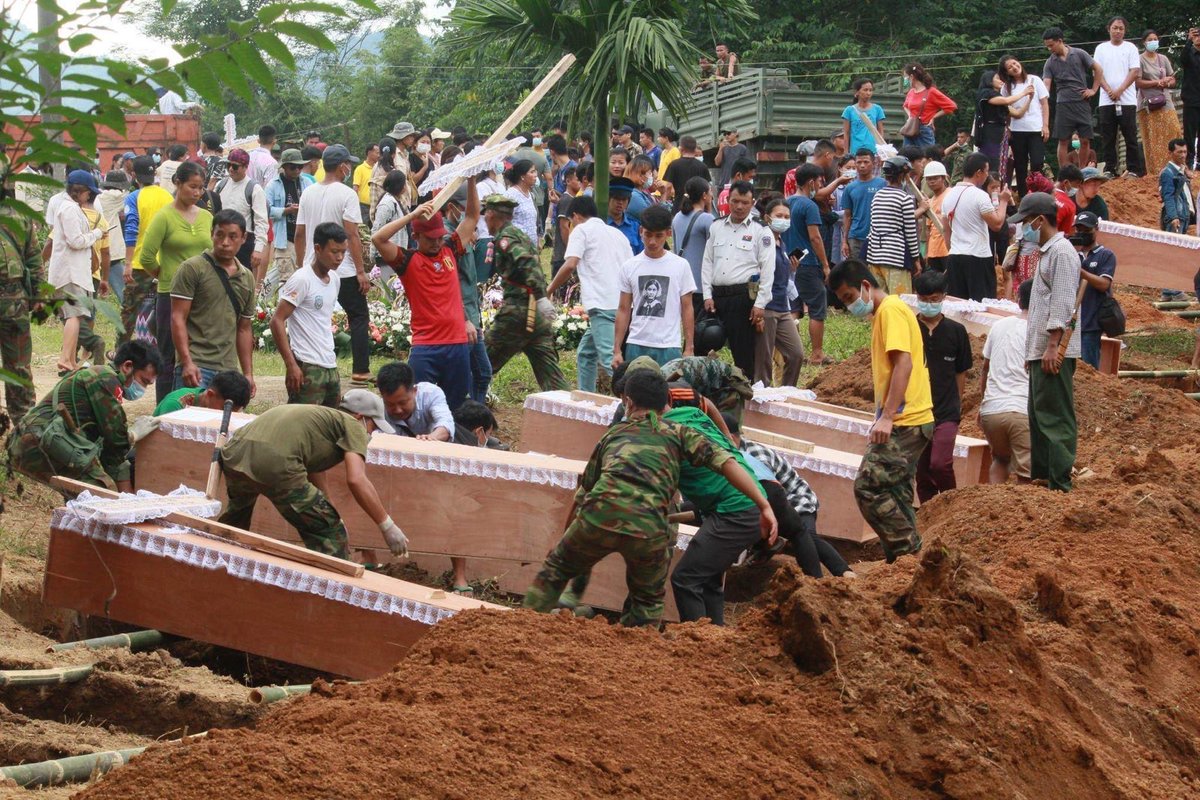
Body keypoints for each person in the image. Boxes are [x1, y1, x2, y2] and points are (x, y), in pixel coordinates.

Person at [524, 369, 764, 627]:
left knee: (555, 572)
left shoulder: (612, 434)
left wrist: (564, 539)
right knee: (647, 602)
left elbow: (584, 494)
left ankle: (523, 627)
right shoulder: (679, 432)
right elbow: (726, 462)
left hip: (600, 516)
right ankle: (636, 650)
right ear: (667, 403)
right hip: (649, 529)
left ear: (628, 402)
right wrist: (764, 505)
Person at [828, 259, 933, 563]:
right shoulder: (884, 314)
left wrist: (887, 417)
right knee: (897, 494)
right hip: (911, 419)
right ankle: (902, 566)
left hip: (906, 420)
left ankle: (911, 555)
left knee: (868, 486)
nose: (850, 306)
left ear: (865, 286)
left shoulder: (890, 311)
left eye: (849, 298)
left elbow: (904, 363)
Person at [217, 394, 407, 559]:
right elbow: (356, 479)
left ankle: (214, 560)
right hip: (276, 463)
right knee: (329, 533)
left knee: (235, 522)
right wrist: (387, 526)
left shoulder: (320, 419)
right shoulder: (353, 425)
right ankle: (333, 590)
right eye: (372, 427)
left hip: (235, 455)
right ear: (360, 416)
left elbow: (314, 466)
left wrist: (327, 507)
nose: (370, 434)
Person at [666, 382, 776, 625]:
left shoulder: (667, 432)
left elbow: (724, 464)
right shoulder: (692, 413)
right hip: (743, 503)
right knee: (709, 578)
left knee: (686, 578)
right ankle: (716, 637)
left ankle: (699, 646)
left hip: (737, 510)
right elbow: (708, 406)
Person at [372, 179, 481, 411]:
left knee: (456, 406)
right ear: (416, 237)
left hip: (457, 344)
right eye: (430, 238)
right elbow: (377, 239)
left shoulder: (450, 249)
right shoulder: (407, 261)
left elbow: (471, 217)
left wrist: (472, 180)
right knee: (418, 406)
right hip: (426, 347)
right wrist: (412, 216)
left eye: (439, 237)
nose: (436, 243)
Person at [7, 341, 162, 492]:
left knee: (102, 490)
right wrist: (133, 435)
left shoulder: (104, 378)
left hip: (40, 442)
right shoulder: (103, 378)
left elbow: (113, 452)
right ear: (127, 366)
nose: (142, 388)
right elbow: (117, 438)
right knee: (102, 492)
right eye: (143, 381)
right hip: (33, 445)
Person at [723, 416, 854, 578]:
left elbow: (771, 495)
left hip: (796, 498)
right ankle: (771, 546)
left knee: (805, 534)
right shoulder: (733, 453)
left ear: (733, 438)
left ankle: (844, 574)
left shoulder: (756, 455)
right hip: (774, 503)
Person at [1009, 191, 1079, 491]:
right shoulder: (1048, 253)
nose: (1023, 229)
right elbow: (1039, 307)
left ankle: (1059, 481)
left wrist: (1052, 346)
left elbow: (1062, 305)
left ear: (1040, 220)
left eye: (1026, 222)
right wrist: (1032, 351)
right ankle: (1043, 477)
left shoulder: (1062, 252)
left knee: (1054, 417)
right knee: (1038, 416)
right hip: (1040, 349)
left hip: (1053, 349)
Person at [295, 145, 370, 385]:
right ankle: (361, 369)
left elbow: (299, 233)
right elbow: (352, 234)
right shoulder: (347, 194)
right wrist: (360, 271)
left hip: (313, 265)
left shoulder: (308, 193)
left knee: (315, 317)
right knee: (358, 316)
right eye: (348, 164)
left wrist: (301, 265)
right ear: (342, 167)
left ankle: (310, 364)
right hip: (343, 267)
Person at [138, 161, 212, 403]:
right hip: (170, 295)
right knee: (168, 356)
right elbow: (147, 256)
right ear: (177, 183)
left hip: (201, 297)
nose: (197, 193)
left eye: (201, 188)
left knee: (197, 353)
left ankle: (194, 404)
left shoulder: (206, 217)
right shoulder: (164, 217)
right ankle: (164, 408)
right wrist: (165, 275)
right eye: (192, 186)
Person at [481, 194, 570, 392]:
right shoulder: (519, 234)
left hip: (517, 312)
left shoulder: (506, 238)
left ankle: (467, 405)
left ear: (492, 214)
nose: (484, 219)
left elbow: (527, 263)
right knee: (550, 372)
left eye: (485, 213)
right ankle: (566, 410)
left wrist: (540, 296)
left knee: (481, 362)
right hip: (535, 315)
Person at [545, 194, 632, 392]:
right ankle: (586, 398)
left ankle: (637, 406)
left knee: (611, 362)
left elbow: (570, 264)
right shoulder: (617, 234)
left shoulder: (581, 230)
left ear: (574, 216)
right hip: (622, 305)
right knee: (586, 353)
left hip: (602, 305)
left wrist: (549, 290)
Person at [167, 207, 255, 400]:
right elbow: (177, 317)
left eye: (233, 236)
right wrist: (186, 361)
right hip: (196, 365)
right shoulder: (192, 268)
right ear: (211, 234)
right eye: (220, 235)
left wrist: (247, 373)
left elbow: (244, 328)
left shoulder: (247, 277)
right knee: (186, 425)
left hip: (228, 371)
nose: (225, 243)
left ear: (243, 238)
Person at [701, 181, 775, 378]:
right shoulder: (716, 226)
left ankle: (746, 396)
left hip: (742, 298)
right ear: (728, 201)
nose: (739, 207)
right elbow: (707, 262)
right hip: (716, 298)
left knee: (743, 354)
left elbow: (768, 269)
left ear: (752, 203)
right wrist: (707, 294)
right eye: (735, 201)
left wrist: (760, 304)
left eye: (745, 202)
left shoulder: (761, 230)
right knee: (701, 344)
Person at [912, 270, 971, 502]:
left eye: (934, 300)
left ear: (943, 297)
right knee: (922, 471)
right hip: (917, 410)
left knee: (940, 464)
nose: (929, 305)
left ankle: (950, 504)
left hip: (946, 411)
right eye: (924, 300)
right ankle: (927, 513)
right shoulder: (910, 328)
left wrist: (957, 403)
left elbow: (961, 371)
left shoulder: (956, 332)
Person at [613, 204, 696, 370]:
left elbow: (687, 307)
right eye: (648, 235)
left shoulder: (680, 265)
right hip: (636, 343)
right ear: (641, 231)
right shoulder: (629, 266)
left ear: (668, 233)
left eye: (658, 236)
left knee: (667, 393)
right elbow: (623, 309)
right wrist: (616, 349)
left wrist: (689, 347)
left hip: (669, 345)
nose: (652, 241)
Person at [273, 222, 346, 407]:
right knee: (301, 425)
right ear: (318, 249)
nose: (339, 257)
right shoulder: (302, 279)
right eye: (334, 251)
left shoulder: (335, 280)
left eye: (343, 252)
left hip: (330, 363)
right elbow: (277, 321)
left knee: (330, 424)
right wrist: (291, 365)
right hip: (307, 364)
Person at [48, 170, 106, 375]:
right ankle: (66, 359)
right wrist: (97, 234)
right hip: (70, 272)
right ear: (78, 191)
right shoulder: (69, 209)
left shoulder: (71, 207)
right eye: (88, 193)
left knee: (77, 316)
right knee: (73, 316)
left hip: (74, 271)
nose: (89, 197)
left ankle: (71, 360)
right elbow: (76, 241)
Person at [979, 278, 1032, 484]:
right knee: (1026, 475)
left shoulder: (999, 326)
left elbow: (985, 369)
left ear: (1019, 300)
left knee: (1000, 459)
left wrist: (982, 404)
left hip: (991, 410)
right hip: (1021, 409)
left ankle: (995, 506)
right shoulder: (1042, 332)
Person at [944, 152, 1012, 300]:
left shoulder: (948, 195)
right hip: (978, 257)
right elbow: (997, 224)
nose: (987, 175)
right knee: (982, 305)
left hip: (955, 256)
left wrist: (955, 250)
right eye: (986, 172)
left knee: (957, 304)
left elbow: (946, 232)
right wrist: (1004, 201)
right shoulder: (979, 195)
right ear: (978, 173)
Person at [118, 156, 170, 346]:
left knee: (129, 311)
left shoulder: (134, 197)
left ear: (133, 175)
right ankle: (165, 351)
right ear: (154, 172)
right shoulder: (168, 196)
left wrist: (128, 263)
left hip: (140, 264)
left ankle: (120, 353)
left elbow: (131, 230)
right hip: (164, 263)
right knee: (164, 311)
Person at [752, 197, 804, 386]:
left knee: (796, 354)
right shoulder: (764, 240)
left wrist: (792, 269)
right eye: (779, 216)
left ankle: (787, 390)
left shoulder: (781, 243)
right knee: (763, 360)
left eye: (786, 216)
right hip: (767, 307)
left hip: (783, 307)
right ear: (767, 218)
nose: (783, 219)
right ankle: (762, 397)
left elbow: (782, 276)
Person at [0, 196, 43, 421]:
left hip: (13, 302)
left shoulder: (20, 215)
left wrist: (39, 295)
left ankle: (24, 424)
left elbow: (33, 257)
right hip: (14, 301)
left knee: (18, 366)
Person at [784, 163, 831, 364]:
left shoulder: (785, 203)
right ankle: (817, 353)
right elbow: (815, 238)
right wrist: (826, 264)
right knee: (816, 306)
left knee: (793, 307)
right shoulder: (809, 206)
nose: (820, 185)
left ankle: (792, 353)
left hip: (787, 261)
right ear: (811, 182)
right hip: (807, 262)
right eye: (820, 181)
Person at [1043, 27, 1103, 175]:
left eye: (1051, 45)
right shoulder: (1050, 63)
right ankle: (1065, 174)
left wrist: (1093, 90)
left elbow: (1098, 69)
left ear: (1060, 41)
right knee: (1063, 140)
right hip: (1063, 104)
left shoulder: (1079, 53)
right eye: (1047, 46)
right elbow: (1046, 86)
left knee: (1085, 140)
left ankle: (1082, 173)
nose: (1049, 49)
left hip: (1082, 101)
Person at [1093, 16, 1143, 178]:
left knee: (1130, 135)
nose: (1118, 31)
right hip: (1106, 100)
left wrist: (1120, 90)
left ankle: (1134, 169)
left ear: (1125, 31)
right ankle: (1109, 169)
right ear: (1109, 29)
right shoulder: (1101, 48)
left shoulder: (1131, 48)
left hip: (1127, 99)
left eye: (1121, 28)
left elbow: (1134, 71)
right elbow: (1097, 72)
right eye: (1115, 27)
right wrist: (1108, 90)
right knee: (1108, 136)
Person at [867, 156, 922, 295]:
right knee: (899, 301)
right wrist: (916, 260)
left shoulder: (877, 196)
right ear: (903, 175)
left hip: (874, 255)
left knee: (879, 302)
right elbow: (910, 232)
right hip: (895, 256)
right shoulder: (904, 198)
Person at [997, 56, 1050, 196]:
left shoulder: (1035, 80)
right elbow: (1005, 110)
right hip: (1017, 130)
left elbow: (1044, 104)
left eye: (1015, 63)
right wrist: (1006, 128)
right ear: (1007, 72)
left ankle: (1038, 192)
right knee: (1020, 165)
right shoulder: (1006, 88)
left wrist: (1045, 125)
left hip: (1035, 129)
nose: (1014, 67)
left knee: (1037, 162)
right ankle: (1023, 195)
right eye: (1010, 67)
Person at [213, 148, 269, 281]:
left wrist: (258, 249)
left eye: (235, 166)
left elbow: (261, 221)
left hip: (244, 244)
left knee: (242, 283)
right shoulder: (221, 184)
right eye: (228, 165)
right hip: (221, 239)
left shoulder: (254, 189)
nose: (231, 169)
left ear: (245, 167)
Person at [1070, 212, 1116, 369]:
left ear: (1096, 229)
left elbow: (1104, 284)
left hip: (1091, 323)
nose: (1082, 234)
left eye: (1086, 230)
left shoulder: (1105, 255)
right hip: (1071, 321)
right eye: (1079, 230)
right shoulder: (1072, 255)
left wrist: (1082, 272)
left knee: (1088, 368)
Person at [1134, 30, 1181, 179]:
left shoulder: (1163, 58)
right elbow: (1138, 81)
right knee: (1153, 139)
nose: (1153, 41)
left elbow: (1173, 80)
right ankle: (1155, 172)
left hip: (1165, 101)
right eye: (1150, 39)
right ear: (1144, 42)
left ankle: (1175, 167)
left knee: (1175, 130)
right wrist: (1157, 82)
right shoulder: (1139, 59)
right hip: (1147, 104)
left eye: (1155, 39)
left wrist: (1169, 81)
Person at [264, 149, 308, 295]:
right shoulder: (273, 185)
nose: (297, 170)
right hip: (285, 237)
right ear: (284, 167)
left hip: (305, 237)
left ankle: (263, 297)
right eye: (292, 167)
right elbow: (266, 210)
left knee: (305, 276)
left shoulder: (306, 182)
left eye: (299, 167)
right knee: (287, 278)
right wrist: (286, 210)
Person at [376, 360, 454, 440]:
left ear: (414, 391)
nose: (398, 410)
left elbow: (446, 422)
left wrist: (432, 438)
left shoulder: (430, 394)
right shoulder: (377, 409)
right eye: (390, 404)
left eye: (403, 403)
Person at [840, 149, 886, 261]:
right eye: (859, 162)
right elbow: (847, 215)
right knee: (857, 272)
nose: (862, 166)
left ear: (874, 163)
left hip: (878, 237)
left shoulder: (883, 184)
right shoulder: (850, 188)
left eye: (866, 162)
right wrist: (845, 241)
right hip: (855, 237)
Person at [901, 63, 957, 147]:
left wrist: (933, 117)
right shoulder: (911, 91)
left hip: (924, 130)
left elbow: (952, 106)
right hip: (910, 129)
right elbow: (905, 106)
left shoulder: (931, 91)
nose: (904, 79)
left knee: (927, 157)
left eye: (905, 77)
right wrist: (910, 117)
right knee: (907, 157)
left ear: (911, 77)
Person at [154, 369, 251, 416]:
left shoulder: (211, 405)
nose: (227, 417)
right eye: (225, 410)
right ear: (210, 394)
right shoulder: (175, 406)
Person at [96, 170, 128, 302]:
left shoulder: (98, 196)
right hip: (110, 248)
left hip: (95, 244)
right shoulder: (115, 196)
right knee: (124, 292)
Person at [663, 135, 710, 212]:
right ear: (695, 149)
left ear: (680, 149)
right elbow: (708, 189)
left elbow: (668, 187)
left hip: (679, 207)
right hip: (698, 209)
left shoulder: (674, 165)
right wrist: (708, 209)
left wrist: (665, 202)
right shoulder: (703, 166)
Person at [841, 78, 886, 156]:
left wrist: (881, 150)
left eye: (870, 90)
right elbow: (846, 133)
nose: (868, 93)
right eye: (865, 90)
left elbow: (880, 131)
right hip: (856, 152)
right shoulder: (849, 110)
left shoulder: (877, 109)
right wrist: (846, 153)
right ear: (857, 92)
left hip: (873, 152)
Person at [1160, 138, 1193, 234]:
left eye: (1185, 152)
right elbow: (1168, 196)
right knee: (1171, 248)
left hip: (1183, 216)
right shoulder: (1168, 173)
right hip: (1176, 218)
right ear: (1170, 153)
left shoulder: (1181, 171)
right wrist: (1173, 217)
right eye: (1179, 152)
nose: (1183, 155)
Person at [503, 159, 540, 244]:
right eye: (532, 172)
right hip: (517, 246)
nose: (535, 175)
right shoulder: (511, 195)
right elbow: (504, 222)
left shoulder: (530, 194)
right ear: (522, 176)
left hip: (531, 246)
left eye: (535, 171)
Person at [923, 161, 951, 273]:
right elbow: (928, 229)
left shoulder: (950, 195)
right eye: (929, 179)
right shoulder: (930, 201)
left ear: (943, 178)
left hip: (947, 249)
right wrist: (926, 252)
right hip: (933, 252)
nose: (932, 181)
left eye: (935, 178)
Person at [606, 176, 643, 255]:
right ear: (608, 199)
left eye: (624, 199)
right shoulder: (601, 224)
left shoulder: (635, 227)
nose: (620, 203)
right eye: (616, 199)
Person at [1183, 27, 1200, 169]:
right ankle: (1189, 161)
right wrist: (1188, 40)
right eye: (1196, 35)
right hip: (1190, 99)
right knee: (1189, 132)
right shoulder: (1189, 53)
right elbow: (1183, 59)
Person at [352, 144, 379, 223]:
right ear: (369, 153)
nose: (378, 155)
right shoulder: (360, 169)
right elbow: (355, 188)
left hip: (377, 205)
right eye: (377, 153)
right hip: (364, 206)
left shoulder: (378, 169)